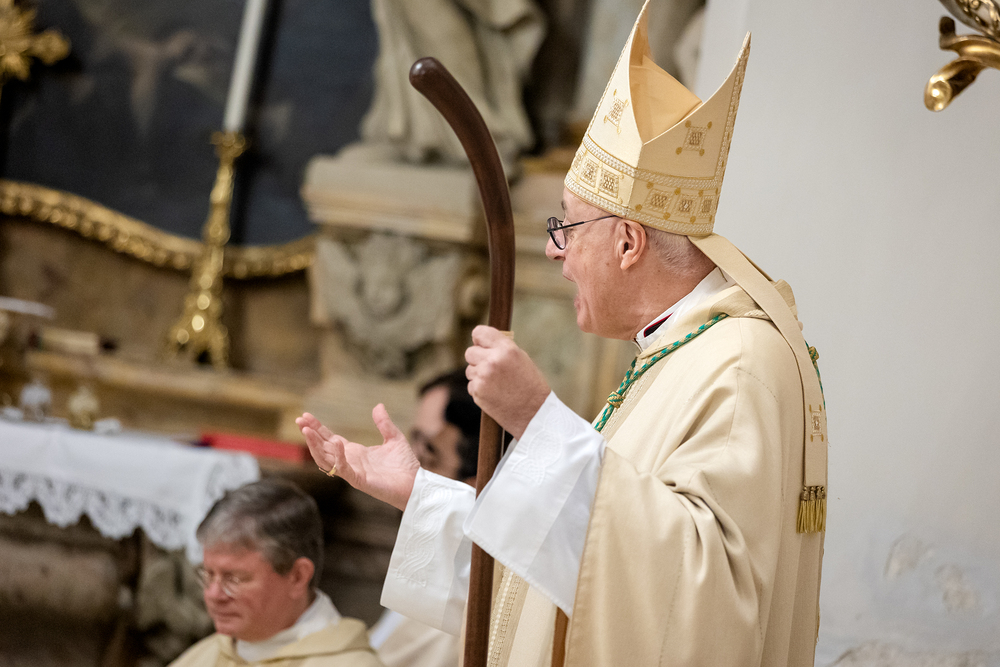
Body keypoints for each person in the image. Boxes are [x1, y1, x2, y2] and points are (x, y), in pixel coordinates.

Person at [297, 2, 828, 665]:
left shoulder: (739, 364)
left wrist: (535, 417)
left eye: (567, 227)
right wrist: (422, 496)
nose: (554, 250)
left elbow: (699, 599)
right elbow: (569, 571)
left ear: (628, 242)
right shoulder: (677, 352)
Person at [168, 479, 383, 667]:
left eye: (235, 579)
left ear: (298, 577)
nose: (213, 595)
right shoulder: (205, 654)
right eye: (208, 575)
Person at [368, 370, 479, 667]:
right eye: (412, 442)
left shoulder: (461, 597)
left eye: (429, 453)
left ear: (475, 482)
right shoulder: (424, 558)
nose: (408, 471)